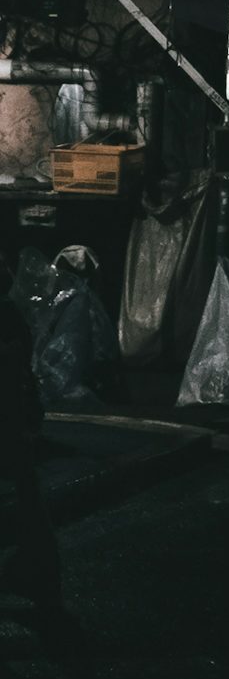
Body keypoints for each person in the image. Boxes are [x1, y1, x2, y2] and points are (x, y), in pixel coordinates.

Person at [0, 231, 74, 657]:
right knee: (29, 506)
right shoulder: (10, 317)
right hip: (13, 427)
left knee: (27, 507)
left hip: (7, 426)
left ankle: (36, 580)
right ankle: (39, 583)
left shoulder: (6, 319)